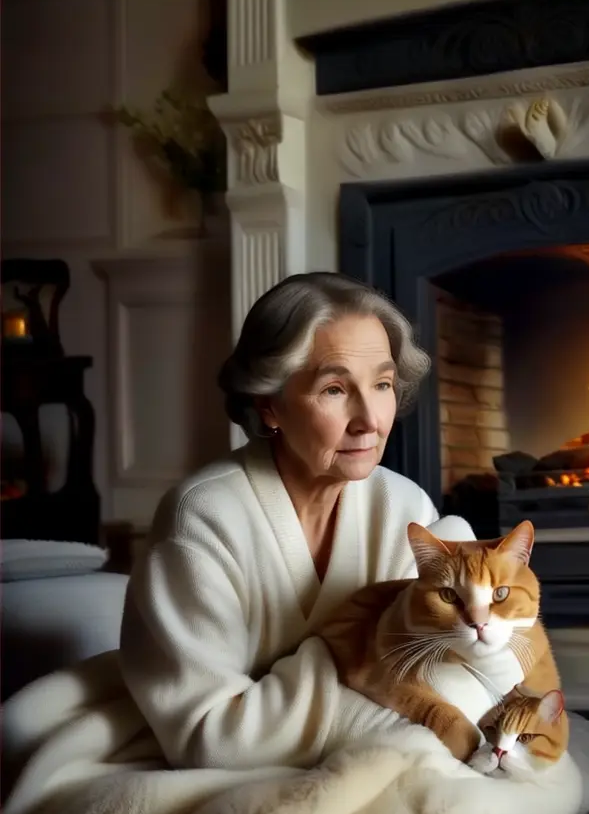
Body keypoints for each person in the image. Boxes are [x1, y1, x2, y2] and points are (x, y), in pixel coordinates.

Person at [119, 272, 475, 772]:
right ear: (269, 404)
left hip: (356, 761)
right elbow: (211, 741)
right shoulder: (202, 517)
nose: (370, 419)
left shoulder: (406, 509)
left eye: (382, 384)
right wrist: (357, 660)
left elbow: (452, 685)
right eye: (334, 389)